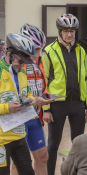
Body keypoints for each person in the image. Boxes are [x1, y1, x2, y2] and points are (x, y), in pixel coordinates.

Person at [41, 14, 87, 175]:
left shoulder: (81, 51)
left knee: (78, 144)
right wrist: (46, 108)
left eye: (72, 31)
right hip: (57, 104)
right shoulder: (48, 51)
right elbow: (43, 82)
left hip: (77, 104)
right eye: (66, 31)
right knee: (53, 144)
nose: (69, 34)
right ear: (60, 32)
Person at [11, 23, 52, 175]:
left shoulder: (41, 61)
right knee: (19, 162)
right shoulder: (16, 64)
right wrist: (34, 100)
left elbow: (43, 85)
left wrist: (46, 99)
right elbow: (13, 93)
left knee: (42, 157)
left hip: (35, 117)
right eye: (34, 49)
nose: (37, 53)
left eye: (39, 49)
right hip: (20, 118)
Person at [0, 33, 37, 175]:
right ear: (9, 54)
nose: (22, 66)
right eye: (21, 61)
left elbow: (27, 92)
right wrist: (6, 107)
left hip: (19, 135)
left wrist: (30, 99)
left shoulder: (21, 72)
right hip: (1, 140)